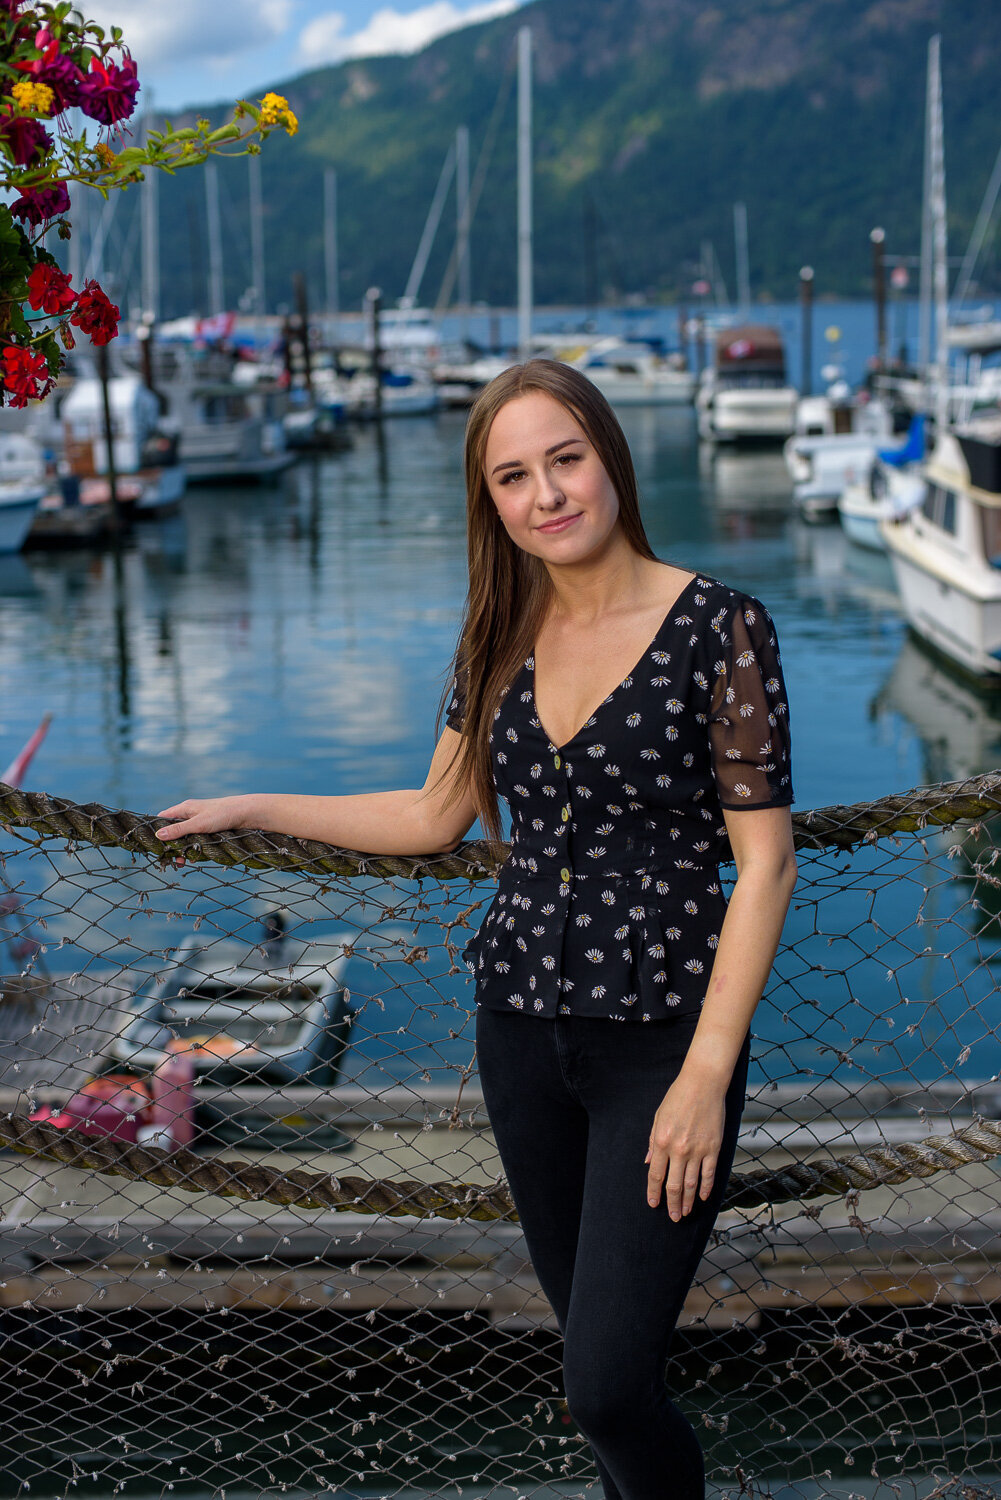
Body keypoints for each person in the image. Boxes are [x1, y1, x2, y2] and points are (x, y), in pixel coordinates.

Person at [155, 358, 798, 1500]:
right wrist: (255, 802)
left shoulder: (719, 627)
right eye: (513, 475)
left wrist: (704, 1075)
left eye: (564, 459)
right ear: (490, 499)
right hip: (518, 1036)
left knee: (607, 1382)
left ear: (607, 456)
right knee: (589, 1368)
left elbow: (763, 866)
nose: (546, 494)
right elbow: (430, 812)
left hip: (660, 1047)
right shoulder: (496, 634)